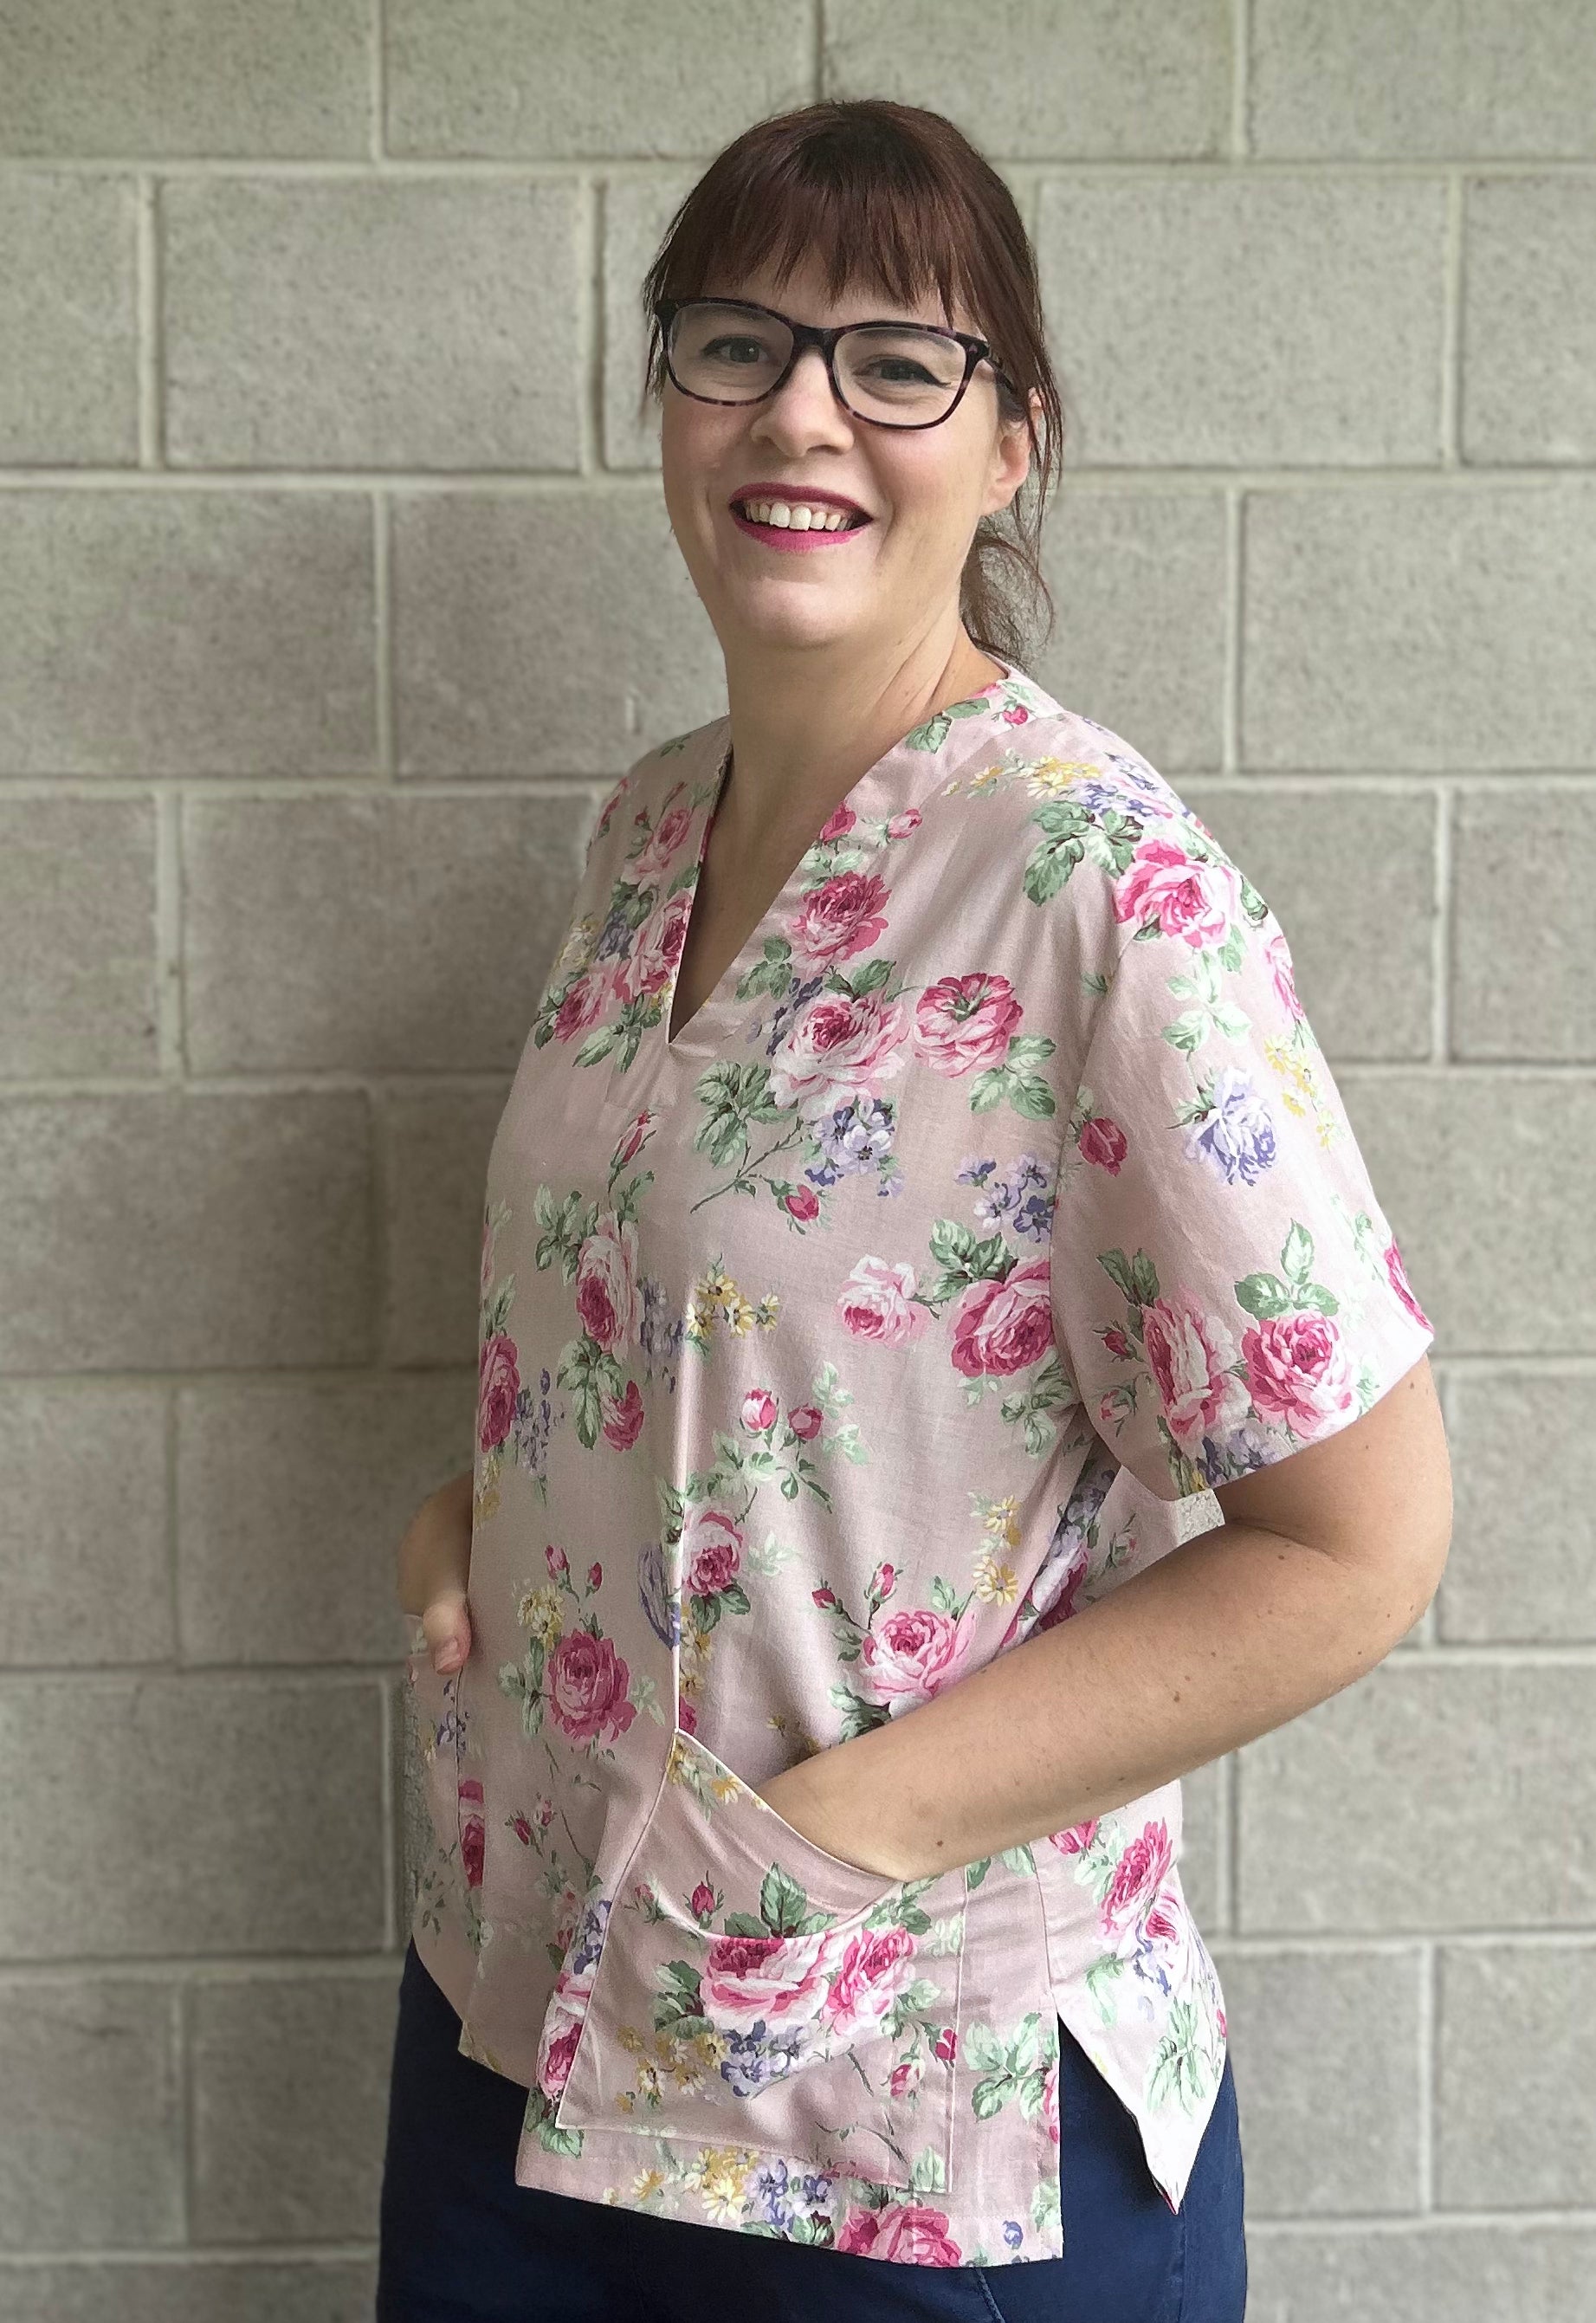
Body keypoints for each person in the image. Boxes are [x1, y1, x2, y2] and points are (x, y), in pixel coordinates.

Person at [377, 97, 1451, 2322]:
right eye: (733, 342)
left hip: (893, 2112)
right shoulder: (646, 830)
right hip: (521, 2009)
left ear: (1014, 439)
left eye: (896, 361)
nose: (800, 412)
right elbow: (665, 1302)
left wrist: (846, 1840)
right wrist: (478, 1507)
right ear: (662, 397)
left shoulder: (1104, 892)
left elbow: (1358, 1543)